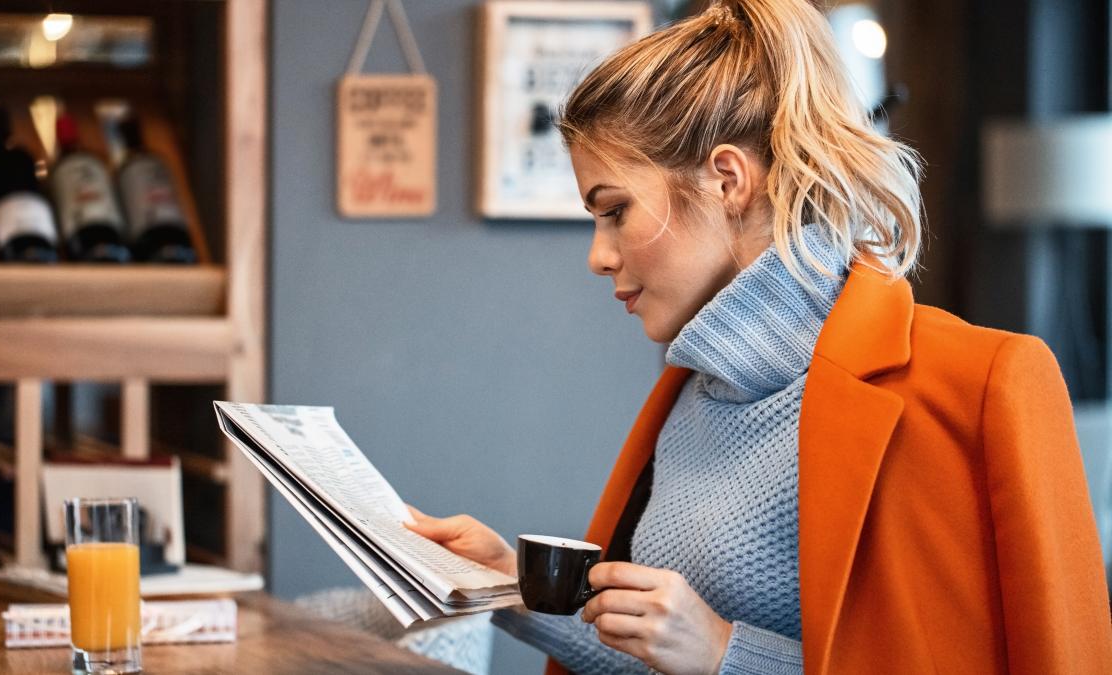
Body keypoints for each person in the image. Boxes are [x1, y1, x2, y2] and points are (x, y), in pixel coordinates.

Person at [407, 0, 1112, 673]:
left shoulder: (985, 383)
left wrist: (726, 654)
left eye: (615, 210)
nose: (598, 254)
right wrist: (507, 585)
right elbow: (663, 656)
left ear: (726, 180)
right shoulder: (687, 400)